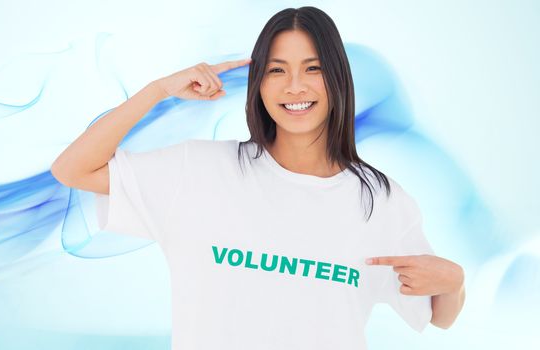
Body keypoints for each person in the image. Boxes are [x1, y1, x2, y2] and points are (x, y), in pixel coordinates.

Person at [51, 6, 465, 350]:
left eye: (313, 68)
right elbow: (72, 169)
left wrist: (455, 282)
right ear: (259, 84)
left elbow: (437, 316)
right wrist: (158, 90)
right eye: (277, 70)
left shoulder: (380, 200)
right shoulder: (198, 170)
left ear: (338, 78)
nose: (295, 86)